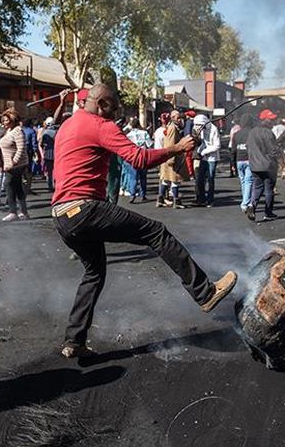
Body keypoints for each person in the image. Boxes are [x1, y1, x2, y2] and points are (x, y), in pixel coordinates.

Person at [51, 84, 237, 358]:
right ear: (102, 104)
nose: (117, 116)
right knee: (155, 232)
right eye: (114, 109)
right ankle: (205, 292)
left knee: (94, 273)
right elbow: (138, 159)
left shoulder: (68, 124)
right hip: (85, 209)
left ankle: (74, 340)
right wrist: (177, 148)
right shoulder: (101, 125)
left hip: (60, 215)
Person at [245, 109, 285, 222]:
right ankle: (268, 213)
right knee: (269, 189)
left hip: (254, 165)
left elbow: (248, 147)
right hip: (268, 166)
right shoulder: (269, 133)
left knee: (257, 187)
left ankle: (251, 205)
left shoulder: (252, 132)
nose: (273, 121)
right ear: (264, 120)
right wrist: (283, 166)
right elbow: (274, 151)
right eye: (271, 119)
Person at [0, 109, 29, 221]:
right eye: (3, 120)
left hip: (16, 165)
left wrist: (13, 162)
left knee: (8, 185)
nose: (4, 122)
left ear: (13, 120)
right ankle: (24, 212)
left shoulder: (17, 131)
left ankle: (13, 212)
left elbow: (21, 148)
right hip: (9, 164)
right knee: (17, 187)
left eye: (7, 120)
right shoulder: (8, 131)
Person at [157, 110, 189, 209]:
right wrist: (171, 159)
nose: (180, 120)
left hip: (168, 158)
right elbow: (170, 144)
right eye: (178, 118)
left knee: (166, 180)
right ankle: (176, 201)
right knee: (175, 180)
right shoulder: (172, 128)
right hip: (172, 159)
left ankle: (160, 200)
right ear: (173, 117)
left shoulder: (171, 127)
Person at [193, 114, 221, 207]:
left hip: (212, 158)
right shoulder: (202, 130)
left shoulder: (213, 129)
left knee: (210, 179)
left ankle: (210, 200)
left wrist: (204, 151)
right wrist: (199, 150)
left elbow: (217, 145)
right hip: (204, 158)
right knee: (200, 178)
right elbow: (203, 143)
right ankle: (201, 198)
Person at [126, 117, 152, 203]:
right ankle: (143, 194)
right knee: (143, 177)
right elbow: (149, 144)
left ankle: (132, 194)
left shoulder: (128, 135)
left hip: (133, 156)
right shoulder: (144, 133)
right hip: (143, 155)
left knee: (133, 177)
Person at [233, 116, 253, 213]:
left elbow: (233, 150)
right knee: (249, 181)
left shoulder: (236, 134)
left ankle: (246, 200)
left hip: (239, 160)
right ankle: (245, 203)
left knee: (243, 181)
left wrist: (232, 163)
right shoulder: (252, 133)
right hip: (249, 159)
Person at [40, 117, 59, 192]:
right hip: (56, 153)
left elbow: (41, 143)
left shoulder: (45, 132)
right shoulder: (57, 132)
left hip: (48, 153)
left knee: (49, 171)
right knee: (56, 171)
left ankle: (50, 186)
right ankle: (56, 184)